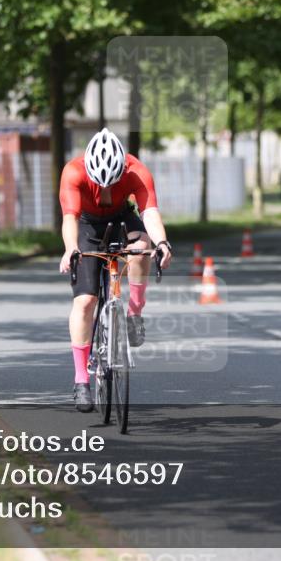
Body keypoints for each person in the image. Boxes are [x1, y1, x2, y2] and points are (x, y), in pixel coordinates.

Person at [58, 129, 173, 413]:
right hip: (86, 225)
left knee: (141, 246)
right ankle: (81, 380)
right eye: (101, 184)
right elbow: (70, 218)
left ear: (123, 168)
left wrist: (162, 243)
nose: (106, 192)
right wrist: (71, 247)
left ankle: (135, 311)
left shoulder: (137, 171)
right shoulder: (73, 172)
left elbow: (149, 213)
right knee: (85, 301)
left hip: (122, 217)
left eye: (113, 184)